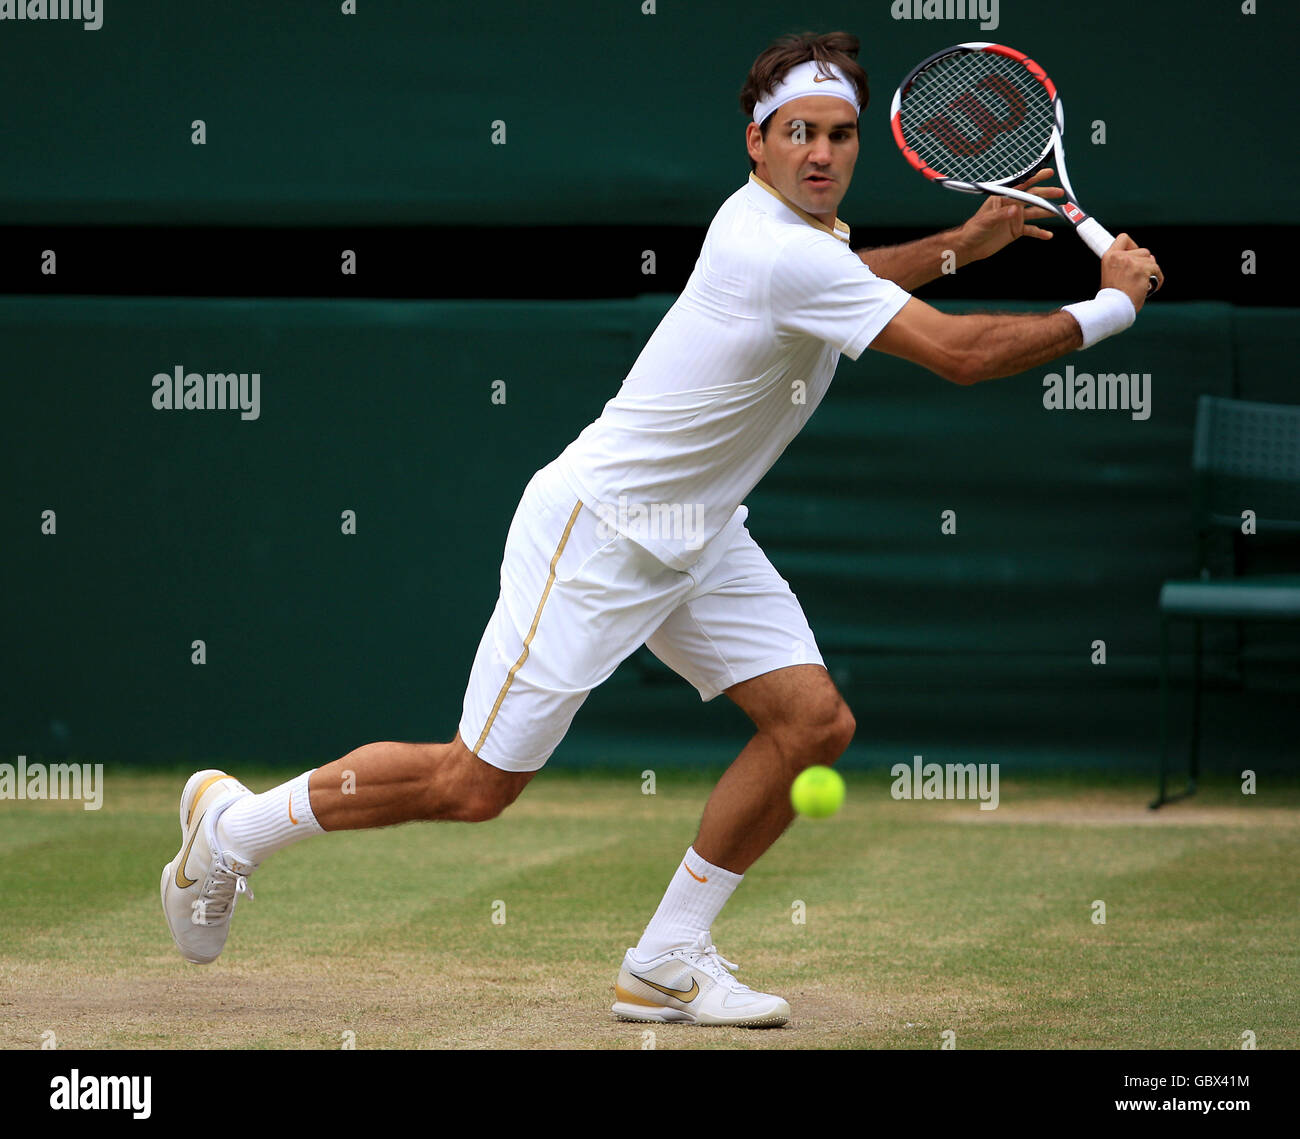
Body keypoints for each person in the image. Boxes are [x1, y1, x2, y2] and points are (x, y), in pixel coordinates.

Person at [160, 30, 1162, 1028]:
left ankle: (666, 960)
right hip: (599, 534)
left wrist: (961, 246)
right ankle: (232, 829)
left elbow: (852, 276)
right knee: (472, 784)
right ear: (755, 143)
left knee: (812, 725)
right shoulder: (774, 247)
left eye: (840, 133)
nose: (820, 152)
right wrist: (1108, 306)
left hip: (700, 534)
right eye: (796, 132)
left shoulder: (796, 241)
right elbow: (954, 354)